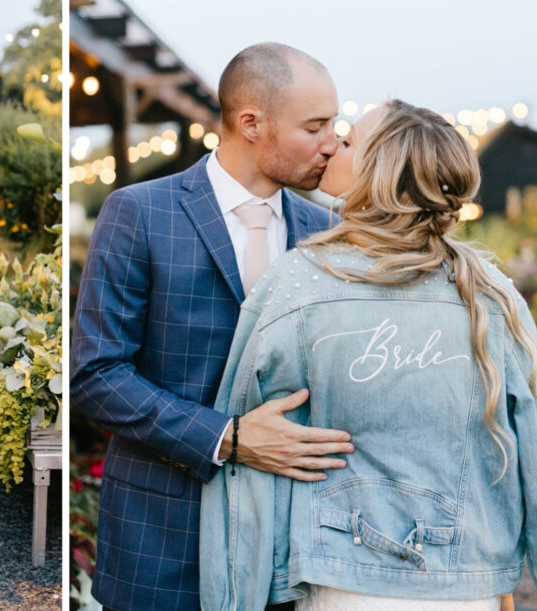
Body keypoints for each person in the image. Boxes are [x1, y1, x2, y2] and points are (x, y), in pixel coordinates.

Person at [201, 100, 537, 610]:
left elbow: (246, 466)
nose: (332, 144)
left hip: (342, 580)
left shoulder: (300, 283)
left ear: (378, 174)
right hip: (467, 587)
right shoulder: (490, 293)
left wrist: (238, 597)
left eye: (349, 140)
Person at [71, 42, 356, 610]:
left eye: (335, 125)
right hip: (164, 537)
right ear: (251, 122)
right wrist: (229, 438)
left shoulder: (326, 231)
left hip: (289, 550)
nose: (331, 143)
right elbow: (95, 374)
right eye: (315, 126)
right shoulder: (139, 212)